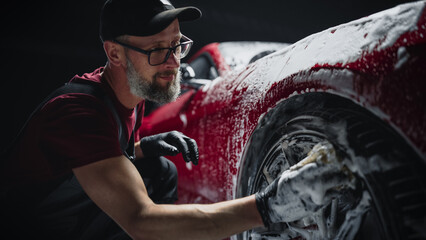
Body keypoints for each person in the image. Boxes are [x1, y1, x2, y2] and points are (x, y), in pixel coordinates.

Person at [1, 0, 353, 239]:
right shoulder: (78, 112)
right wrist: (267, 206)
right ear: (115, 53)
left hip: (64, 213)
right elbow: (141, 220)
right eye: (157, 50)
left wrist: (137, 149)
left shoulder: (130, 92)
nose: (172, 61)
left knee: (159, 169)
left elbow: (75, 161)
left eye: (177, 45)